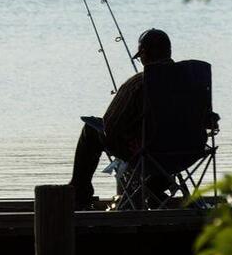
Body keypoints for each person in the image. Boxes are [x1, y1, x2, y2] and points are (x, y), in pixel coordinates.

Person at [68, 27, 183, 210]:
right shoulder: (190, 81)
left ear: (145, 54)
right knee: (158, 145)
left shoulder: (138, 83)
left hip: (148, 152)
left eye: (140, 57)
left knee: (91, 131)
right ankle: (155, 187)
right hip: (185, 150)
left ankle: (79, 194)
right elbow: (209, 119)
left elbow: (111, 126)